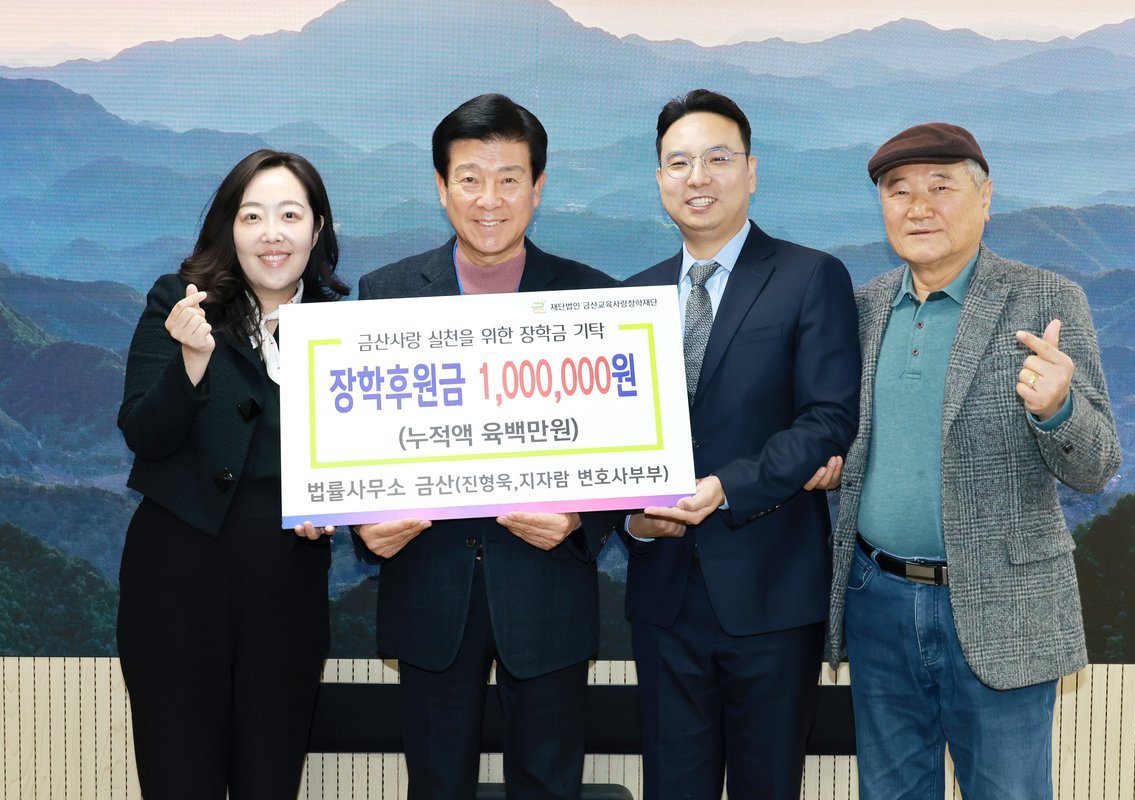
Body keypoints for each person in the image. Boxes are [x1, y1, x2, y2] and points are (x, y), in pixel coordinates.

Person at [825, 123, 1122, 798]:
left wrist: (1059, 408)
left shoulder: (1046, 300)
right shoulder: (865, 307)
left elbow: (1098, 466)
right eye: (899, 190)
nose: (918, 207)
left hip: (1002, 604)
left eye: (941, 187)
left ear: (986, 199)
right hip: (878, 602)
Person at [353, 93, 618, 800]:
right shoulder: (384, 295)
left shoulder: (593, 297)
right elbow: (361, 442)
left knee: (550, 786)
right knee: (436, 787)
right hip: (428, 591)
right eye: (470, 178)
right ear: (442, 188)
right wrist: (363, 523)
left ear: (538, 187)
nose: (490, 199)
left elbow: (623, 453)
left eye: (509, 178)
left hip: (547, 591)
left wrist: (582, 519)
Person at [621, 89, 860, 799]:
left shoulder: (809, 276)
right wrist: (631, 520)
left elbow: (827, 420)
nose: (698, 178)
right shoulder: (629, 299)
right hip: (663, 598)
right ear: (659, 179)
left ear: (751, 172)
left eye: (718, 159)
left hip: (771, 594)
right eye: (679, 163)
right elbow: (608, 446)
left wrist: (727, 486)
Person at [117, 150, 349, 798]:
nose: (272, 234)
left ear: (317, 228)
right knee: (178, 777)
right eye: (252, 216)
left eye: (289, 215)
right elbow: (144, 433)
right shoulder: (179, 303)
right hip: (175, 580)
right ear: (229, 226)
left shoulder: (343, 328)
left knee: (269, 778)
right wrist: (191, 360)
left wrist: (337, 508)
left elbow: (363, 461)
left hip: (286, 586)